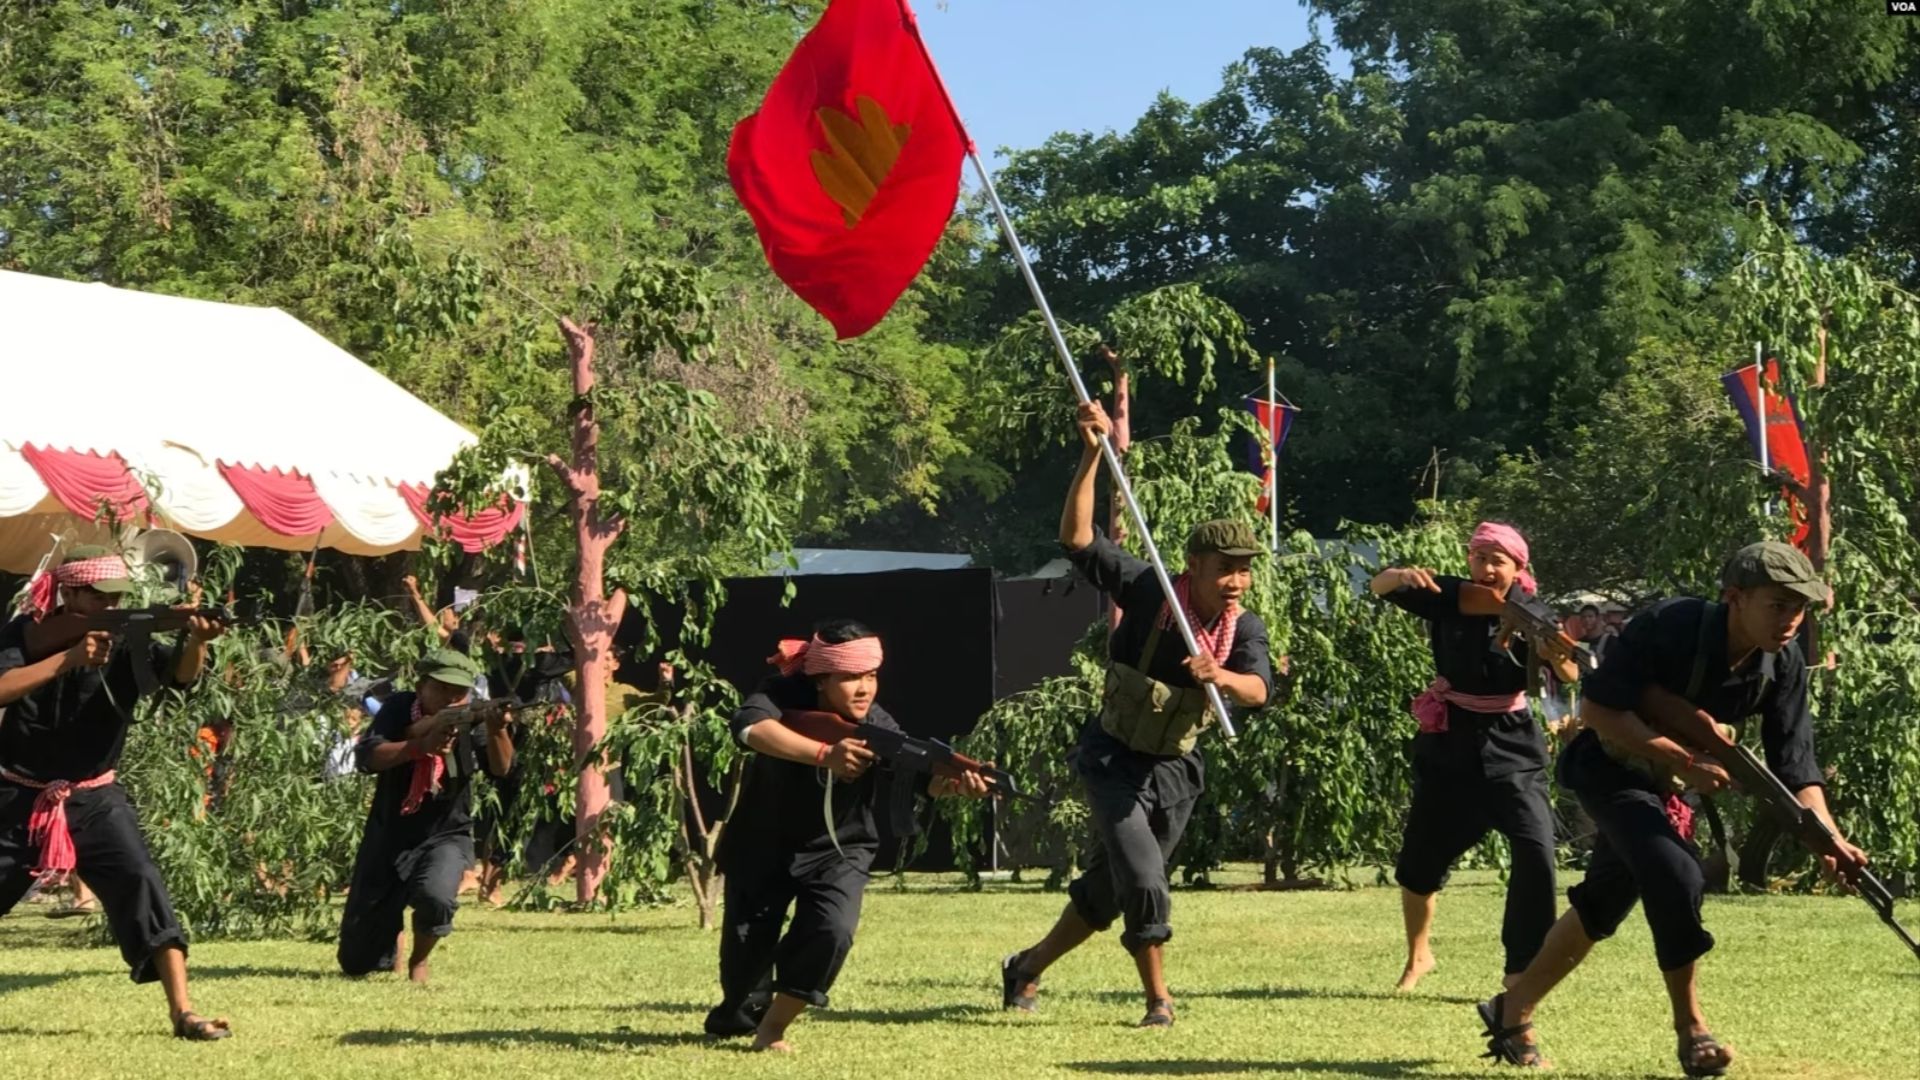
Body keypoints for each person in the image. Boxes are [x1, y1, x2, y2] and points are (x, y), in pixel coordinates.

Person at [1479, 542, 1867, 1076]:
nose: (1791, 620)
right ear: (1735, 598)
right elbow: (1598, 708)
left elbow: (1796, 767)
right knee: (1677, 872)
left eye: (1800, 608)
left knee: (1603, 903)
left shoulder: (1786, 663)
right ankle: (1692, 1030)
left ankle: (1509, 1009)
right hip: (1609, 770)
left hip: (1665, 785)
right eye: (1778, 606)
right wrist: (1683, 759)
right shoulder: (1671, 625)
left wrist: (1828, 836)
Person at [1000, 401, 1272, 1029]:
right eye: (1226, 569)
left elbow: (1257, 691)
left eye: (1245, 571)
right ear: (1195, 565)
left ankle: (1027, 966)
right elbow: (1077, 540)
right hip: (1113, 758)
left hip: (1176, 768)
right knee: (1145, 878)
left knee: (1106, 888)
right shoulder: (1149, 588)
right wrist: (1092, 453)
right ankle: (1159, 1001)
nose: (1237, 581)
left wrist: (1219, 676)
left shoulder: (1243, 629)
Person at [704, 620, 990, 1052]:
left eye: (871, 676)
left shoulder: (879, 724)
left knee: (832, 930)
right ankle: (741, 1009)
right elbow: (748, 729)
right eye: (851, 677)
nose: (864, 688)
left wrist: (953, 786)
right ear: (820, 679)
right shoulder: (780, 694)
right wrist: (825, 754)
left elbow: (918, 782)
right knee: (745, 964)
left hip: (841, 849)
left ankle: (774, 1028)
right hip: (763, 843)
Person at [0, 546, 231, 1039]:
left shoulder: (127, 637)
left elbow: (180, 678)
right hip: (18, 795)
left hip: (95, 795)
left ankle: (183, 1013)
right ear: (71, 593)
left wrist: (197, 641)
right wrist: (68, 658)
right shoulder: (24, 634)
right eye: (101, 597)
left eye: (119, 598)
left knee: (142, 881)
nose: (112, 605)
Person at [1371, 524, 1578, 993]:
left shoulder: (1533, 611)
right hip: (1449, 740)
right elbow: (1377, 586)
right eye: (1479, 556)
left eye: (1497, 560)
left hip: (1514, 746)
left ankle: (1521, 968)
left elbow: (1567, 672)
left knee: (1536, 851)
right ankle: (1419, 955)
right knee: (1420, 863)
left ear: (1518, 570)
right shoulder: (1445, 593)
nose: (1486, 568)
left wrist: (1554, 652)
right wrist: (1402, 575)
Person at [336, 648, 514, 983]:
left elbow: (502, 768)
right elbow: (368, 758)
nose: (450, 697)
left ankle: (420, 961)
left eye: (458, 691)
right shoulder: (399, 708)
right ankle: (390, 949)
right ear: (421, 686)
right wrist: (421, 744)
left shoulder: (471, 717)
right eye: (442, 688)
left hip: (446, 832)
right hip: (389, 833)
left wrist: (496, 729)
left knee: (436, 897)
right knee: (356, 962)